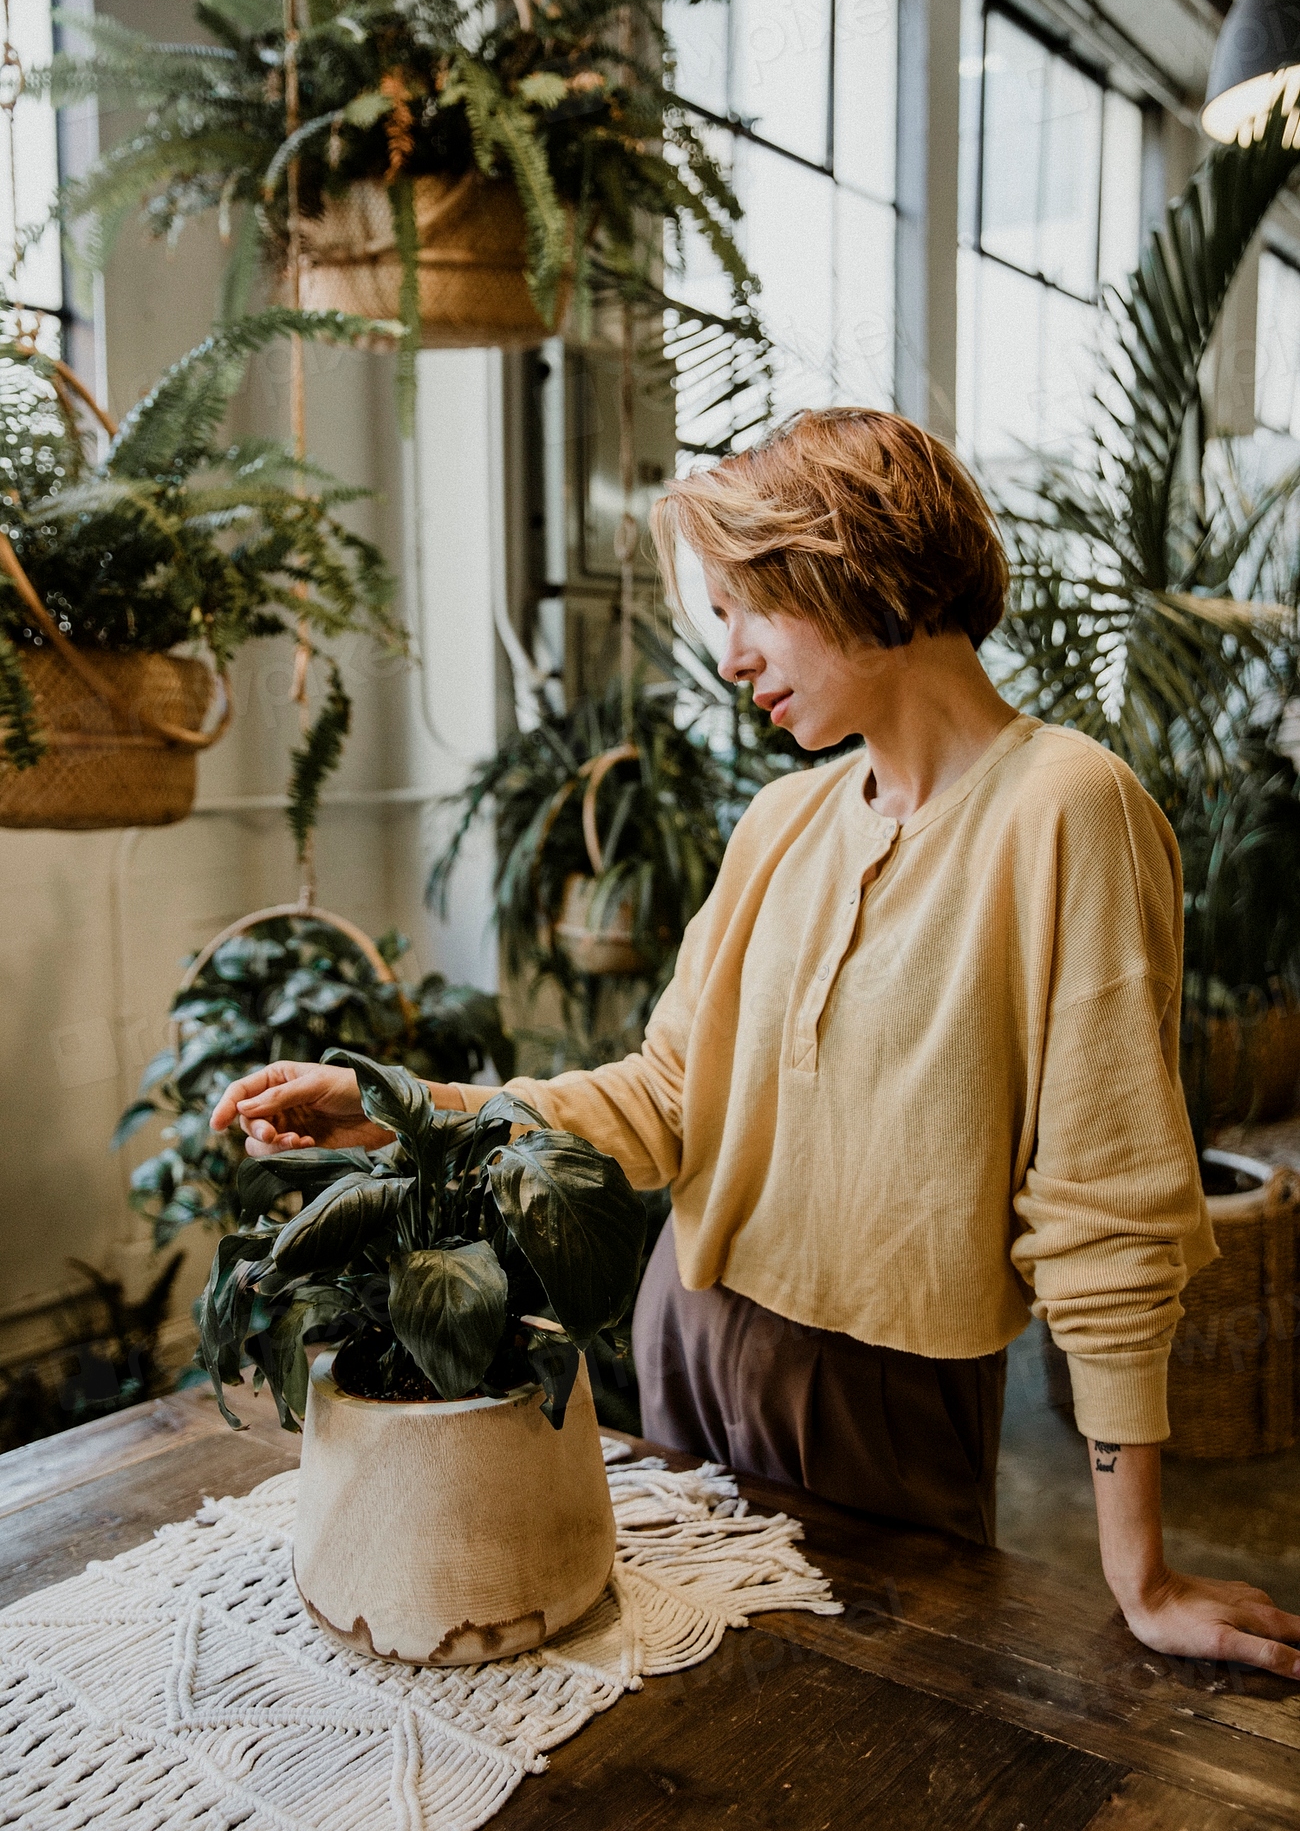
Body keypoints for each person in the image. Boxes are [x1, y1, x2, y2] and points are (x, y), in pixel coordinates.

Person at [212, 408, 1300, 1680]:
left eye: (747, 609)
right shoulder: (783, 821)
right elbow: (664, 1094)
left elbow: (1106, 1205)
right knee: (702, 1712)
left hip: (880, 1391)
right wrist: (406, 1113)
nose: (728, 658)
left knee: (888, 1724)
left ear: (851, 563)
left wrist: (1139, 1570)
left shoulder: (1068, 810)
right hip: (686, 1333)